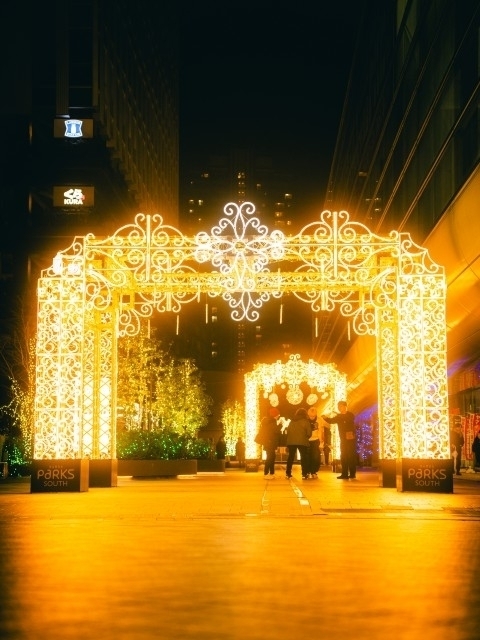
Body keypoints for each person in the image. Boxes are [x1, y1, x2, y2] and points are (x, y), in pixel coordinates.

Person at [322, 400, 357, 480]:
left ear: (345, 406)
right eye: (338, 407)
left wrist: (339, 416)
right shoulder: (339, 416)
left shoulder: (350, 415)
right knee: (344, 456)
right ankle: (344, 474)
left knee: (351, 456)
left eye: (340, 406)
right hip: (343, 439)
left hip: (351, 438)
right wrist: (325, 418)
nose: (339, 408)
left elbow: (348, 420)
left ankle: (352, 473)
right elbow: (331, 421)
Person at [285, 407, 312, 479]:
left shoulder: (292, 421)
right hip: (302, 441)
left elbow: (288, 431)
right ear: (305, 414)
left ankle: (288, 473)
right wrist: (305, 437)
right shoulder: (306, 421)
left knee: (291, 457)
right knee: (303, 457)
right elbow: (309, 433)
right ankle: (304, 474)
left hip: (291, 441)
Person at [256, 408, 282, 478]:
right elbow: (275, 431)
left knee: (272, 457)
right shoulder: (271, 421)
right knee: (270, 458)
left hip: (269, 442)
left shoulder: (269, 421)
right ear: (274, 415)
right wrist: (280, 425)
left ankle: (271, 473)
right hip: (270, 442)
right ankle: (266, 473)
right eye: (278, 414)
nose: (278, 416)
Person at [307, 406, 320, 478]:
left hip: (315, 440)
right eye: (310, 416)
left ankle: (314, 471)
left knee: (315, 457)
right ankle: (307, 471)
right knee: (307, 456)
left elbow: (326, 425)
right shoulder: (305, 421)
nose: (312, 418)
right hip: (307, 440)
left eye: (313, 416)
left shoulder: (319, 420)